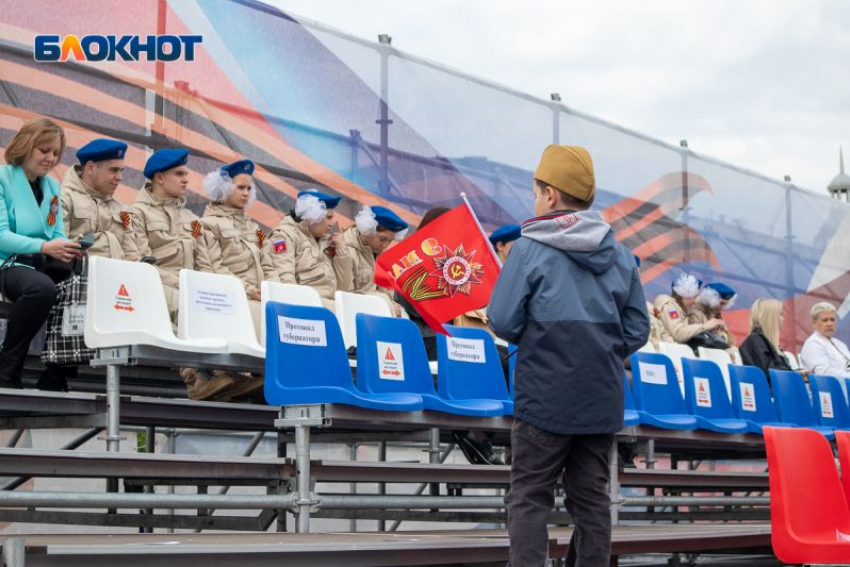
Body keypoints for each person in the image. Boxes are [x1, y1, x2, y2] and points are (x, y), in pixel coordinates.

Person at [488, 144, 650, 566]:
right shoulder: (621, 256)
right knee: (593, 499)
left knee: (528, 496)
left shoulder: (528, 247)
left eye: (536, 191)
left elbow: (502, 320)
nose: (535, 199)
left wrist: (543, 342)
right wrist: (597, 351)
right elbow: (637, 330)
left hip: (544, 394)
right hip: (601, 397)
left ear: (552, 195)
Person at [124, 149, 255, 402]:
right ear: (160, 177)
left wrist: (208, 289)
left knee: (223, 305)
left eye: (186, 173)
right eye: (180, 173)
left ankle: (234, 374)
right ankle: (198, 379)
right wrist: (187, 285)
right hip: (158, 285)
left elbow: (205, 264)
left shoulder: (193, 220)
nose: (186, 179)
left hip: (190, 287)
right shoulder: (135, 214)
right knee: (186, 305)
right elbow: (138, 262)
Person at [0, 118, 82, 389]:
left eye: (56, 153)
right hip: (7, 263)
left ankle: (57, 373)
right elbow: (1, 235)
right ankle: (7, 368)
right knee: (41, 289)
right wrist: (44, 247)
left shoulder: (52, 188)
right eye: (44, 150)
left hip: (37, 263)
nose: (51, 158)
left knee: (82, 288)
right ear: (26, 145)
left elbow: (54, 233)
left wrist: (69, 245)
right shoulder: (3, 178)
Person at [200, 159, 277, 339]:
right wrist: (249, 290)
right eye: (240, 188)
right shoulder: (208, 224)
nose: (246, 193)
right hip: (233, 297)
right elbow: (216, 268)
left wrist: (275, 289)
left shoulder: (255, 228)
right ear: (224, 188)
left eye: (249, 189)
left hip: (261, 297)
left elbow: (269, 265)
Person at [265, 189, 352, 310]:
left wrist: (342, 250)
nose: (332, 223)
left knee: (354, 310)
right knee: (348, 313)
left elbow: (344, 288)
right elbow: (285, 281)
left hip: (328, 304)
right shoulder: (284, 236)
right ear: (312, 216)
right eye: (328, 217)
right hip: (304, 305)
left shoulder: (327, 241)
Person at [61, 138, 131, 260]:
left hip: (118, 276)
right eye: (113, 170)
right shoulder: (63, 198)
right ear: (91, 168)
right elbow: (59, 251)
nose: (120, 177)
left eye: (121, 171)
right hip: (78, 276)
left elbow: (132, 253)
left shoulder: (121, 209)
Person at [341, 204, 408, 314]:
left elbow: (388, 293)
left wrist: (392, 304)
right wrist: (388, 307)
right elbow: (345, 296)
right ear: (368, 229)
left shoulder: (383, 258)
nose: (385, 245)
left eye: (390, 241)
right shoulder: (342, 250)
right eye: (382, 239)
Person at [654, 273, 724, 344]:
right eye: (692, 297)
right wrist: (704, 326)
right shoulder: (669, 305)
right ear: (683, 295)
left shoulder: (683, 311)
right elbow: (678, 334)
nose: (694, 301)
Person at [739, 298, 792, 384]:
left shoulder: (768, 344)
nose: (783, 319)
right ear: (770, 317)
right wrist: (794, 374)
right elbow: (768, 375)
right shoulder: (755, 341)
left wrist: (798, 374)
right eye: (781, 314)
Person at [800, 302, 850, 393]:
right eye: (825, 320)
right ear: (814, 323)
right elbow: (822, 372)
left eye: (832, 319)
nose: (830, 323)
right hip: (828, 394)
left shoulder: (840, 344)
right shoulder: (812, 343)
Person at [689, 281, 737, 348]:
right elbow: (697, 338)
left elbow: (731, 343)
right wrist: (720, 335)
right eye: (721, 303)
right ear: (710, 298)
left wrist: (725, 331)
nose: (721, 307)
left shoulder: (715, 314)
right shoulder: (695, 312)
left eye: (724, 304)